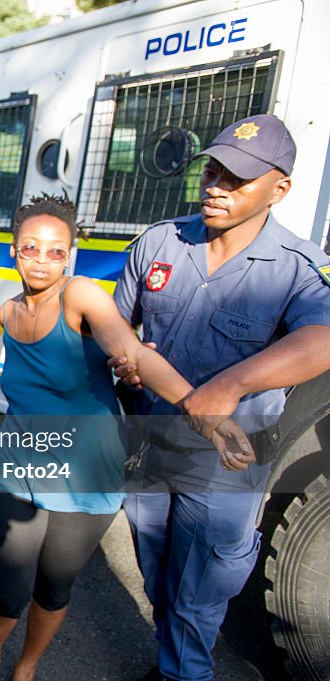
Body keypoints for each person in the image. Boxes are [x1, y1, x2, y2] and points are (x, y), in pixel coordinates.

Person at [0, 194, 250, 681]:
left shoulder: (80, 295)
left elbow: (131, 351)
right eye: (31, 248)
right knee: (7, 586)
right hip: (22, 463)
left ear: (71, 257)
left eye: (56, 251)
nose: (42, 260)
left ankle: (25, 669)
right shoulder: (5, 312)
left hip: (89, 471)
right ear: (14, 251)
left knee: (53, 586)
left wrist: (199, 410)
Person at [110, 114, 330, 681]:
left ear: (279, 189)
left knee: (203, 582)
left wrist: (231, 385)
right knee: (155, 566)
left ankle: (186, 673)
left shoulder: (296, 268)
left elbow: (323, 339)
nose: (216, 186)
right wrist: (123, 361)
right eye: (213, 170)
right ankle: (171, 658)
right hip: (151, 443)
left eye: (238, 179)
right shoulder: (161, 241)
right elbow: (115, 325)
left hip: (227, 461)